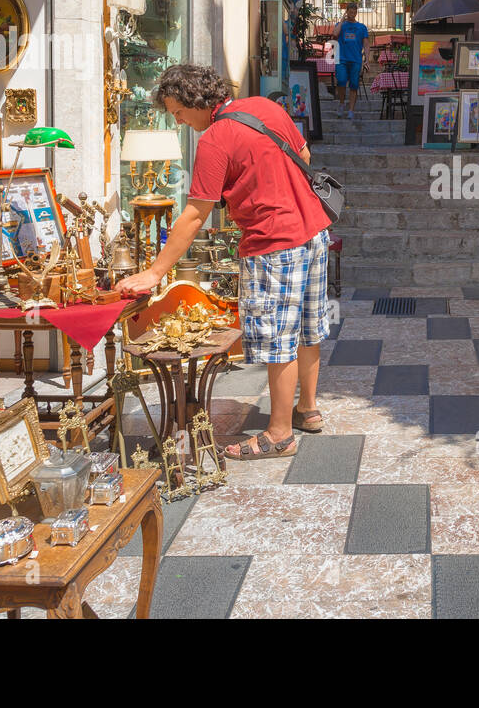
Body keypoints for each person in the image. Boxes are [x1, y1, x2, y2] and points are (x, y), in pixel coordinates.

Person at [116, 64, 332, 459]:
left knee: (278, 338)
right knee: (307, 327)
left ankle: (280, 434)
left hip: (273, 244)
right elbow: (303, 153)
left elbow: (196, 214)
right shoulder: (264, 108)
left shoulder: (215, 140)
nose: (178, 120)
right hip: (315, 232)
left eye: (178, 111)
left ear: (196, 101)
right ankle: (307, 409)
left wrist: (154, 272)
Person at [335, 1, 369, 119]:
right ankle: (341, 103)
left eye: (354, 12)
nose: (352, 14)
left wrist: (367, 60)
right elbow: (334, 35)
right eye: (350, 12)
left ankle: (351, 110)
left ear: (356, 13)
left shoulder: (362, 27)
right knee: (341, 81)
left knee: (354, 85)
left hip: (356, 60)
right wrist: (341, 20)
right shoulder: (341, 25)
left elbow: (366, 44)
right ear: (346, 12)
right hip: (341, 59)